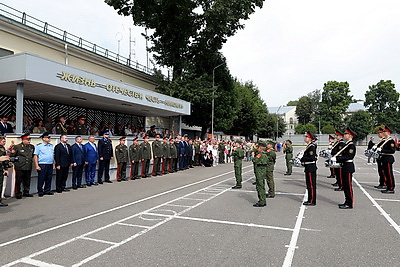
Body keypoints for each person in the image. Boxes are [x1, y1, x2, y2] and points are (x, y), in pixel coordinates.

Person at [334, 128, 357, 209]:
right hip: (345, 166)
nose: (344, 135)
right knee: (345, 186)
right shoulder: (347, 144)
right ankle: (347, 201)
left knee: (348, 186)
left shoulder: (351, 145)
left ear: (350, 136)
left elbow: (349, 156)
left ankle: (349, 203)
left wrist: (337, 159)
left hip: (348, 166)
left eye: (346, 134)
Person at [10, 133, 35, 199]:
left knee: (27, 180)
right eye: (27, 139)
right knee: (18, 180)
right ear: (23, 140)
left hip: (28, 166)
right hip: (20, 166)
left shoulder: (32, 147)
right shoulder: (17, 147)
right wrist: (16, 162)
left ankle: (26, 192)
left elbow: (32, 156)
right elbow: (12, 156)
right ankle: (18, 193)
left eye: (29, 139)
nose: (29, 141)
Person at [34, 132, 55, 197]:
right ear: (43, 138)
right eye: (48, 137)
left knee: (49, 178)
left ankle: (47, 190)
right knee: (41, 178)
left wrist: (53, 163)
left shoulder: (51, 145)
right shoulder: (39, 146)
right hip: (42, 164)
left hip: (50, 164)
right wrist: (37, 165)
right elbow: (35, 156)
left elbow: (52, 155)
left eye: (49, 137)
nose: (49, 139)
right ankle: (40, 191)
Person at [300, 131, 318, 206]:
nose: (305, 138)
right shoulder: (309, 146)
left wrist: (302, 158)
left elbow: (311, 158)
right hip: (308, 167)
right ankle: (310, 199)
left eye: (306, 137)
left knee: (311, 185)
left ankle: (312, 200)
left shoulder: (311, 147)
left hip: (310, 167)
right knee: (309, 184)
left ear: (310, 138)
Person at [378, 125, 396, 193]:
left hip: (388, 158)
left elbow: (392, 151)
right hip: (384, 158)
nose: (383, 132)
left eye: (384, 131)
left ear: (388, 132)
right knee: (386, 173)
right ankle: (388, 187)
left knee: (389, 174)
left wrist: (382, 151)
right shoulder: (385, 140)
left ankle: (391, 188)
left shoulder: (390, 141)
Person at [252, 141, 268, 207]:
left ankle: (262, 201)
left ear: (261, 148)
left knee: (260, 187)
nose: (257, 148)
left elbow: (254, 160)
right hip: (262, 171)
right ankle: (263, 200)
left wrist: (253, 156)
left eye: (258, 147)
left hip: (259, 172)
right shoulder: (264, 154)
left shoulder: (260, 154)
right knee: (262, 186)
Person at [0, 136, 10, 206]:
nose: (4, 143)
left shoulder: (2, 148)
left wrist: (6, 169)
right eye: (3, 141)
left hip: (0, 169)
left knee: (0, 185)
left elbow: (5, 161)